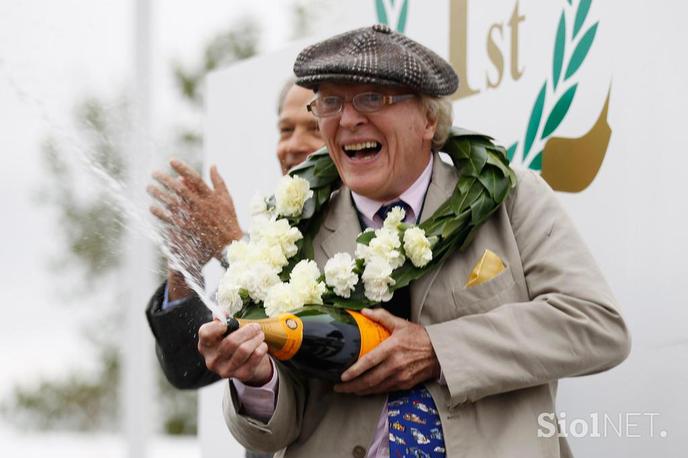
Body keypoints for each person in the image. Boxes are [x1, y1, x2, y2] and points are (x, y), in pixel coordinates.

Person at [196, 25, 631, 457]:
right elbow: (268, 433)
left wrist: (437, 349)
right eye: (331, 102)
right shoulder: (291, 232)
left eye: (372, 98)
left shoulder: (512, 197)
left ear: (428, 119)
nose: (348, 119)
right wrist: (256, 380)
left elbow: (596, 325)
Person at [145, 80, 322, 458]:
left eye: (314, 129)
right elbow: (187, 368)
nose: (293, 145)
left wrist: (230, 243)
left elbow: (321, 324)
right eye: (285, 130)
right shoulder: (270, 236)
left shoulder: (375, 236)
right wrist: (183, 265)